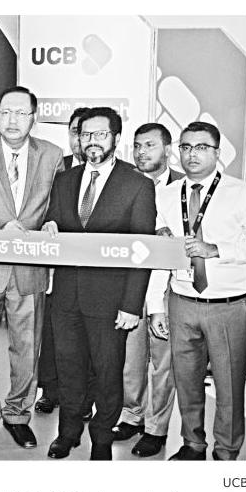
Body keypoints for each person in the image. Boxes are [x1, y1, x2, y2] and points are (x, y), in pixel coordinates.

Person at [41, 106, 155, 461]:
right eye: (85, 134)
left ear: (116, 139)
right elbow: (54, 222)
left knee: (107, 374)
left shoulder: (137, 185)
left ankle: (102, 439)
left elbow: (142, 251)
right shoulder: (65, 181)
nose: (91, 141)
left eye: (100, 134)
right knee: (69, 369)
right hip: (66, 297)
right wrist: (48, 226)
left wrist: (132, 305)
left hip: (111, 301)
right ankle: (68, 433)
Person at [0, 86, 64, 449]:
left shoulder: (52, 155)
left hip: (30, 269)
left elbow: (57, 206)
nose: (12, 120)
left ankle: (19, 413)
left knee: (27, 348)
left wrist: (54, 222)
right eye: (6, 112)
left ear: (34, 117)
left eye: (21, 113)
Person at [148, 122, 246, 461]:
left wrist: (216, 249)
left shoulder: (242, 193)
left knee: (229, 385)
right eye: (186, 147)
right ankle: (192, 444)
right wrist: (156, 306)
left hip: (227, 305)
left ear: (217, 153)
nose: (192, 154)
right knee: (187, 381)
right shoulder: (165, 195)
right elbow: (160, 254)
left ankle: (226, 451)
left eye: (202, 147)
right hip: (181, 301)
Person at [116, 122, 183, 456]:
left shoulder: (183, 187)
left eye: (150, 145)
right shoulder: (123, 183)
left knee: (162, 360)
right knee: (130, 358)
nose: (142, 152)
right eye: (138, 145)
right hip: (130, 284)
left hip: (168, 286)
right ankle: (131, 415)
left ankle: (156, 428)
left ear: (167, 150)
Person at [37, 105, 90, 414]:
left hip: (92, 271)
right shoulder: (58, 167)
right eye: (75, 132)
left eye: (87, 133)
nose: (80, 139)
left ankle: (84, 397)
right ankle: (50, 389)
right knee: (53, 332)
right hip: (55, 268)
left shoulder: (116, 174)